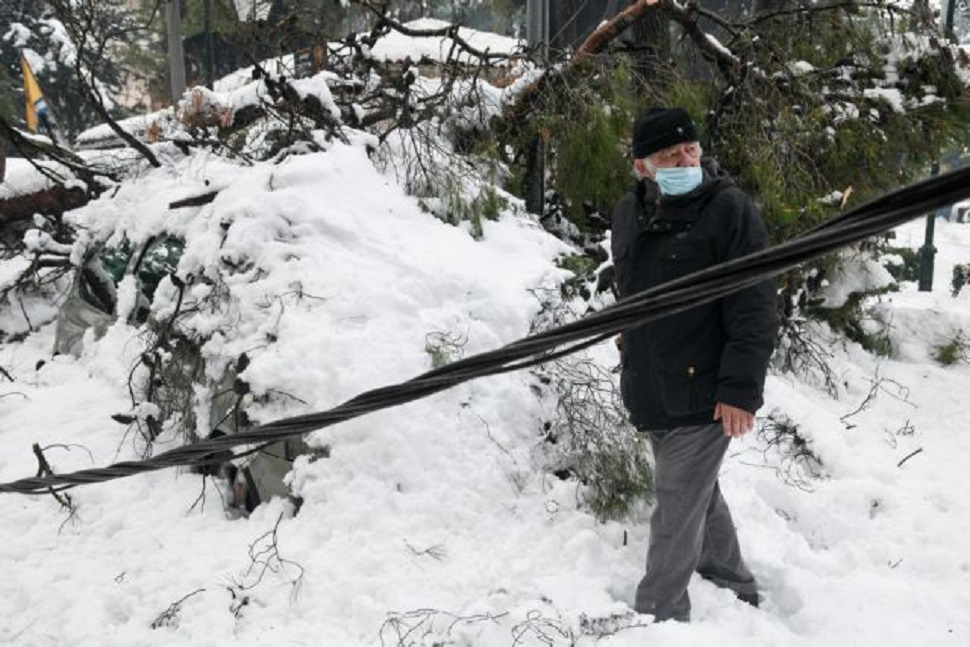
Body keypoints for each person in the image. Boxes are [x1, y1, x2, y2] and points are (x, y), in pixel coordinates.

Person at [611, 107, 778, 622]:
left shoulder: (729, 210)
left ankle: (657, 615)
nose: (686, 160)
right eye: (669, 155)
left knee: (676, 506)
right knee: (696, 496)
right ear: (642, 166)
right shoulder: (627, 212)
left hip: (705, 390)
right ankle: (731, 577)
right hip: (652, 386)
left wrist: (739, 390)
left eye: (691, 150)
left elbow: (754, 306)